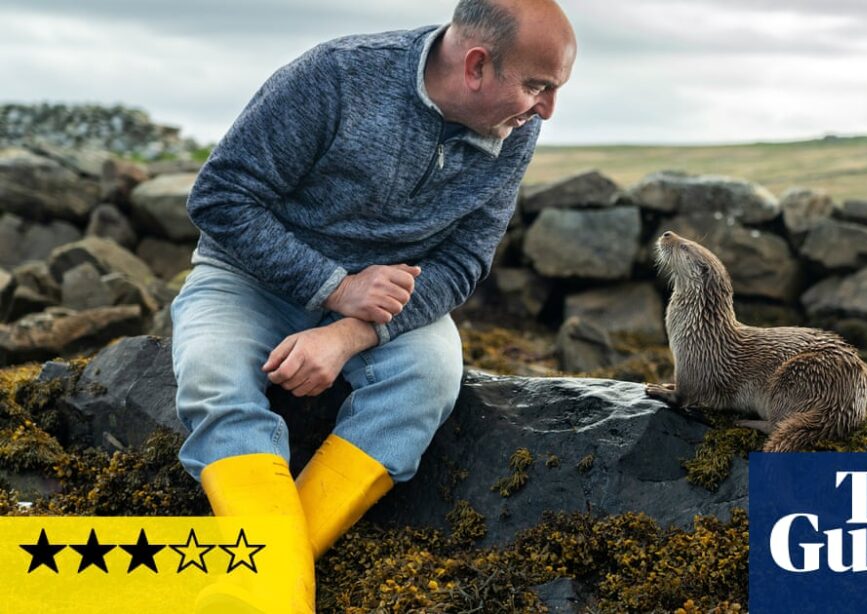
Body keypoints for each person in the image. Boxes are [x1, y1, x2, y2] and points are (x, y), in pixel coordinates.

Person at [169, 0, 576, 610]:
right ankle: (280, 592)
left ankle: (264, 585)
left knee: (431, 375)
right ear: (475, 66)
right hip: (247, 280)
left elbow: (464, 262)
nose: (545, 108)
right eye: (537, 87)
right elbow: (221, 199)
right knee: (212, 375)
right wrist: (334, 286)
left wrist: (348, 331)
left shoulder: (516, 126)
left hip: (385, 305)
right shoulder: (335, 75)